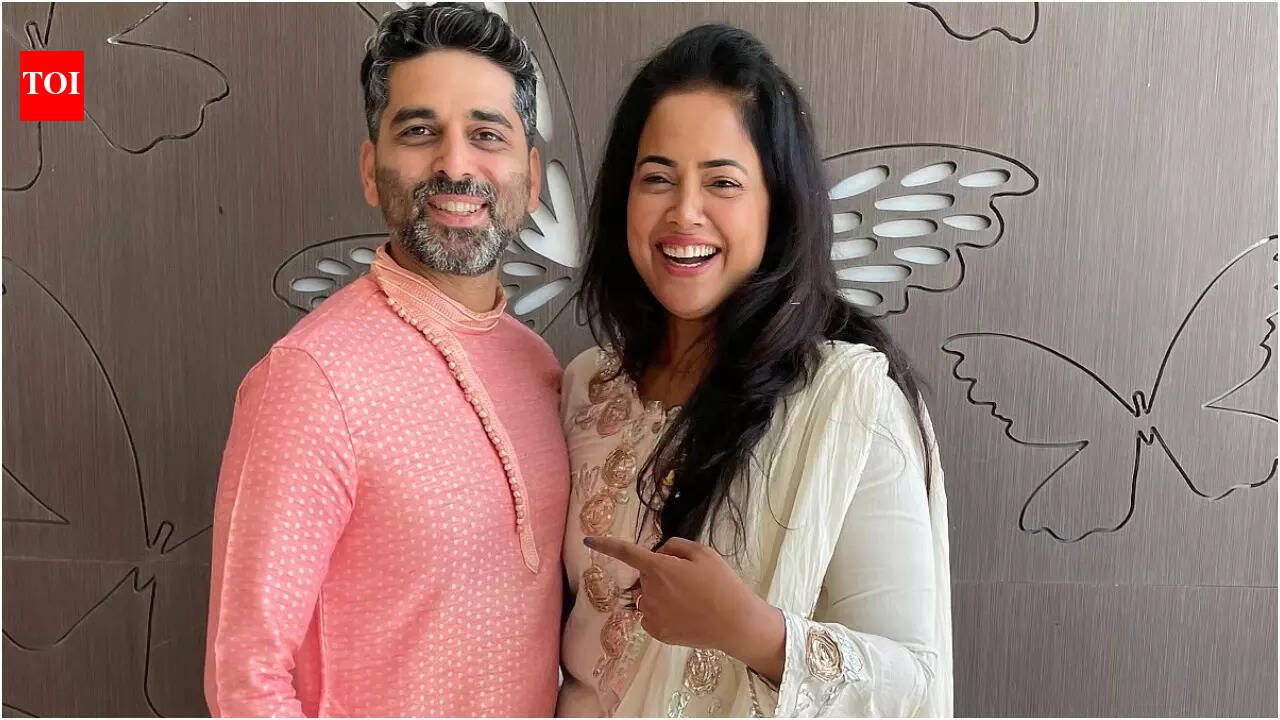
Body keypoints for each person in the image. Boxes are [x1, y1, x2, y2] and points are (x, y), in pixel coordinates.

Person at [557, 24, 952, 718]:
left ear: (777, 205)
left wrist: (753, 632)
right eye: (657, 179)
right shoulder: (586, 388)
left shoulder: (844, 402)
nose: (684, 212)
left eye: (723, 182)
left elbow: (911, 683)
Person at [203, 4, 569, 716]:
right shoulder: (312, 379)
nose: (455, 164)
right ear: (372, 170)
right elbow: (245, 675)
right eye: (420, 132)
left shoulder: (540, 367)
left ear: (529, 177)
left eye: (486, 134)